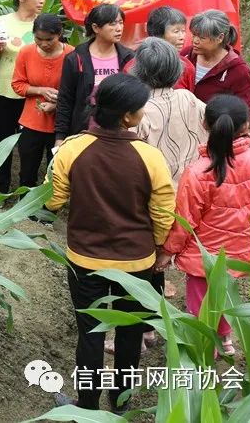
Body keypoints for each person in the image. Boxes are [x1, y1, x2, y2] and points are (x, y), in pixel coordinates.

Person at [45, 73, 175, 413]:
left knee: (90, 333)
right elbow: (163, 210)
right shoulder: (149, 156)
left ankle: (86, 406)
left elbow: (53, 200)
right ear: (127, 117)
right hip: (136, 263)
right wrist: (159, 247)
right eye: (140, 109)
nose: (143, 113)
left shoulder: (72, 149)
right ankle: (119, 407)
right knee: (130, 336)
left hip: (85, 259)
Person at [158, 94, 250, 357]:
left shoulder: (198, 171)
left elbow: (186, 221)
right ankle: (226, 340)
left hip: (205, 256)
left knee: (202, 304)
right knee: (229, 297)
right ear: (247, 126)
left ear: (205, 124)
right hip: (245, 250)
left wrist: (168, 251)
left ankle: (206, 349)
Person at [0, 0, 48, 193]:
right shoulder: (2, 22)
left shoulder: (44, 24)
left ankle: (25, 191)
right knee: (3, 143)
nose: (42, 0)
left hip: (31, 95)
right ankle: (2, 189)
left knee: (28, 147)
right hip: (3, 92)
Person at [54, 4, 134, 146]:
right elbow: (65, 99)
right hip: (83, 134)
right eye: (112, 23)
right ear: (96, 28)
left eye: (121, 22)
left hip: (118, 135)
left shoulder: (128, 58)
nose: (119, 28)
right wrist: (60, 137)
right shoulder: (75, 59)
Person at [130, 38, 207, 185]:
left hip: (158, 192)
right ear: (177, 67)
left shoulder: (138, 112)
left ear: (138, 70)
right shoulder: (188, 97)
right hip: (195, 186)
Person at [11, 13, 72, 188]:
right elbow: (17, 84)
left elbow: (78, 90)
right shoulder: (26, 52)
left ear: (59, 34)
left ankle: (48, 211)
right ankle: (25, 209)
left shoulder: (72, 54)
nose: (44, 44)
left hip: (60, 125)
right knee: (27, 171)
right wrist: (40, 90)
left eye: (49, 39)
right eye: (39, 39)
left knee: (55, 171)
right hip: (31, 122)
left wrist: (58, 103)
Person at [182, 9, 250, 120]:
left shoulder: (238, 70)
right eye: (194, 35)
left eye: (202, 37)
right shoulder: (185, 55)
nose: (195, 41)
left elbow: (245, 113)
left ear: (220, 38)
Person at [122, 6, 195, 90]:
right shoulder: (132, 66)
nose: (182, 37)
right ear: (158, 33)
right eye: (176, 31)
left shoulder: (187, 67)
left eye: (183, 31)